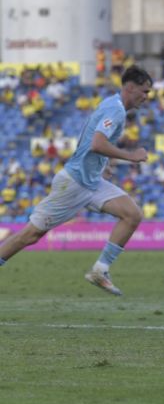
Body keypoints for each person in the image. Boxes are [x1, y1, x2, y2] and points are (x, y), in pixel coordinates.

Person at [0, 66, 153, 296]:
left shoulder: (112, 105)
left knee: (132, 214)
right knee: (30, 235)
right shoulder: (116, 110)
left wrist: (105, 166)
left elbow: (94, 144)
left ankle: (100, 270)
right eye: (145, 91)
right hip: (74, 183)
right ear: (130, 87)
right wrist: (130, 156)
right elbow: (97, 144)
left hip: (92, 182)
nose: (146, 96)